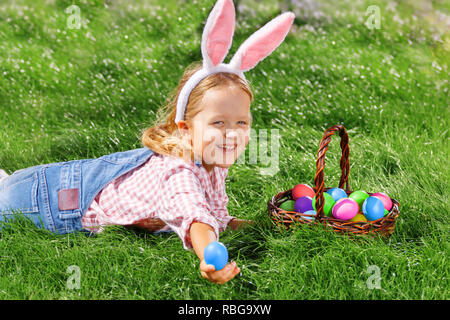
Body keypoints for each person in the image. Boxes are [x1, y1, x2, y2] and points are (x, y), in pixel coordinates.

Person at [0, 0, 294, 285]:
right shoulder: (178, 171)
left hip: (55, 185)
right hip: (47, 203)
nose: (232, 134)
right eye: (218, 123)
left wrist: (264, 227)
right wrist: (208, 256)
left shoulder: (210, 158)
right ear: (186, 129)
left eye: (241, 123)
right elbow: (195, 218)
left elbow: (215, 216)